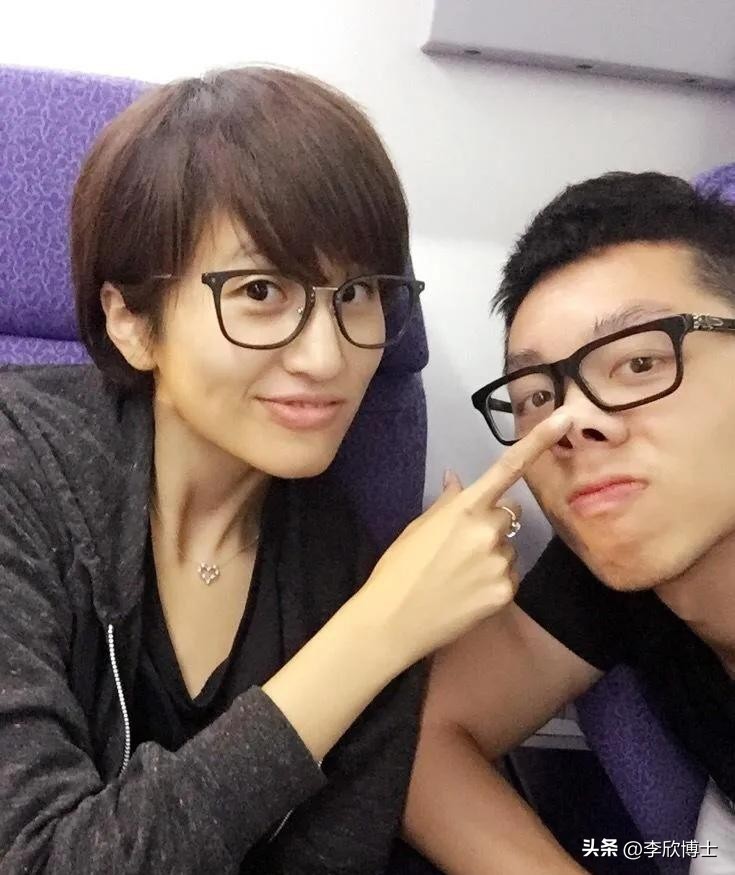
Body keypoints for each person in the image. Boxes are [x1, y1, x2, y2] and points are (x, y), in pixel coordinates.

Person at [0, 66, 570, 873]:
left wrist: (387, 618)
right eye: (262, 290)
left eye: (358, 292)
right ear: (130, 320)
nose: (327, 357)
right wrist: (374, 633)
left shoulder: (345, 563)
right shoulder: (21, 469)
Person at [405, 171, 735, 875]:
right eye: (535, 396)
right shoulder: (616, 563)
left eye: (639, 361)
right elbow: (424, 737)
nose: (569, 422)